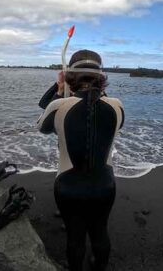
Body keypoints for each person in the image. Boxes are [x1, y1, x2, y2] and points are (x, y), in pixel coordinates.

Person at [37, 50, 124, 271]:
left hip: (68, 188)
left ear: (69, 76)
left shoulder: (59, 106)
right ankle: (99, 266)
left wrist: (59, 89)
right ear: (101, 76)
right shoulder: (117, 105)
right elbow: (110, 119)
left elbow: (43, 127)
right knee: (99, 231)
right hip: (105, 186)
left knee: (75, 237)